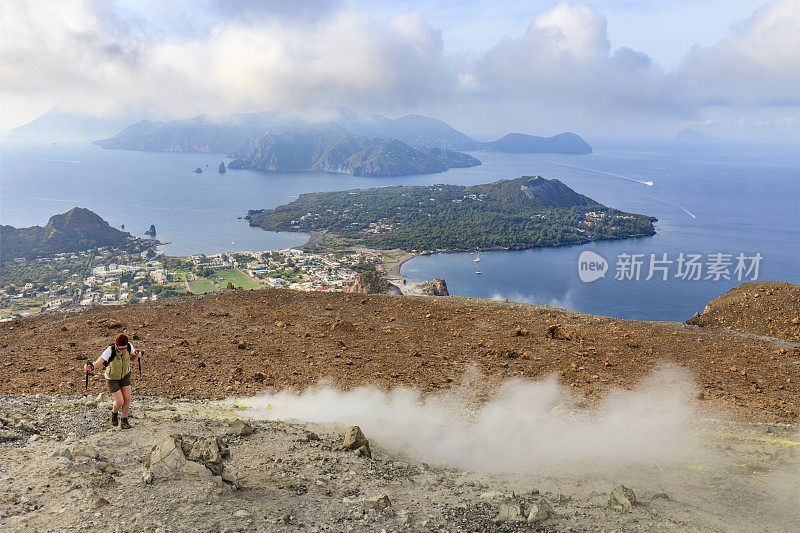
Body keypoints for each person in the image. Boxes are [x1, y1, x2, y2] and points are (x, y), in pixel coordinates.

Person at [85, 333, 140, 429]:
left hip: (125, 375)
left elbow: (132, 359)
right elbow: (98, 363)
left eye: (124, 348)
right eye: (120, 348)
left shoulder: (129, 346)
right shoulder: (110, 350)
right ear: (116, 345)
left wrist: (137, 355)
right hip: (112, 378)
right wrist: (90, 367)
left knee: (127, 398)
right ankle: (114, 413)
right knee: (119, 401)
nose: (122, 350)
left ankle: (124, 420)